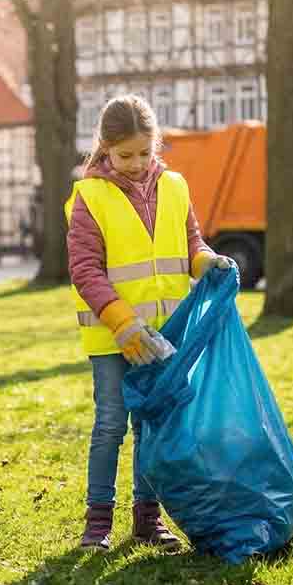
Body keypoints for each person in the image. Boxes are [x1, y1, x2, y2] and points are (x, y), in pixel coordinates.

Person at [65, 94, 234, 551]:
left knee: (151, 427)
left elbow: (190, 243)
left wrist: (207, 262)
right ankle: (97, 524)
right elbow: (85, 271)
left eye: (145, 152)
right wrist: (123, 325)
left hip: (165, 336)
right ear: (104, 147)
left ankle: (147, 519)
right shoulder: (89, 196)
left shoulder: (175, 186)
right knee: (110, 425)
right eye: (124, 155)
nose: (137, 164)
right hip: (113, 336)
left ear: (156, 145)